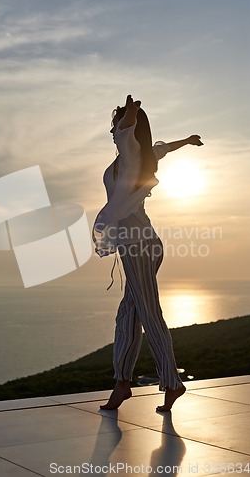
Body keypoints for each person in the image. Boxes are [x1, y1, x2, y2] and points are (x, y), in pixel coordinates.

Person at [92, 94, 204, 412]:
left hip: (139, 245)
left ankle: (171, 382)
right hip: (141, 244)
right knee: (128, 314)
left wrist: (131, 113)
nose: (113, 132)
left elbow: (128, 132)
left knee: (148, 313)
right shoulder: (139, 158)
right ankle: (122, 384)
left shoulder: (130, 154)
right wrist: (189, 140)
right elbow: (163, 148)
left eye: (115, 127)